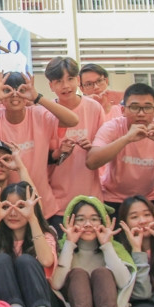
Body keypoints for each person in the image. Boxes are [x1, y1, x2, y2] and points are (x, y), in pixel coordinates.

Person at [0, 72, 79, 218]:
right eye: (7, 91)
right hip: (7, 206)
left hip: (42, 204)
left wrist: (37, 97)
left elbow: (73, 120)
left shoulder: (39, 114)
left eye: (21, 90)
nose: (15, 95)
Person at [87, 82, 154, 215]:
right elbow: (92, 162)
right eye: (134, 107)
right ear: (123, 110)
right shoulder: (112, 127)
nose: (141, 113)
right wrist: (127, 138)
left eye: (147, 108)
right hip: (114, 197)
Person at [51, 196, 132, 307]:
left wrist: (106, 245)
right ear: (70, 221)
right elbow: (56, 284)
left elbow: (125, 282)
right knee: (78, 274)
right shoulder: (62, 247)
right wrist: (69, 243)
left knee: (102, 273)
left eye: (94, 219)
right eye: (81, 219)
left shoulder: (115, 248)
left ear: (103, 221)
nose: (88, 224)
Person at [44, 57, 107, 225]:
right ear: (51, 86)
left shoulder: (94, 108)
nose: (66, 86)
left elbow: (105, 151)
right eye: (59, 81)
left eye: (70, 79)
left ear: (78, 80)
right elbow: (40, 158)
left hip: (92, 199)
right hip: (56, 203)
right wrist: (58, 152)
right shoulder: (44, 112)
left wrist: (92, 148)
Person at [78, 63, 154, 119]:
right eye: (89, 84)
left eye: (99, 81)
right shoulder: (79, 110)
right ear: (81, 88)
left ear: (106, 81)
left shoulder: (122, 106)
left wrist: (125, 95)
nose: (96, 87)